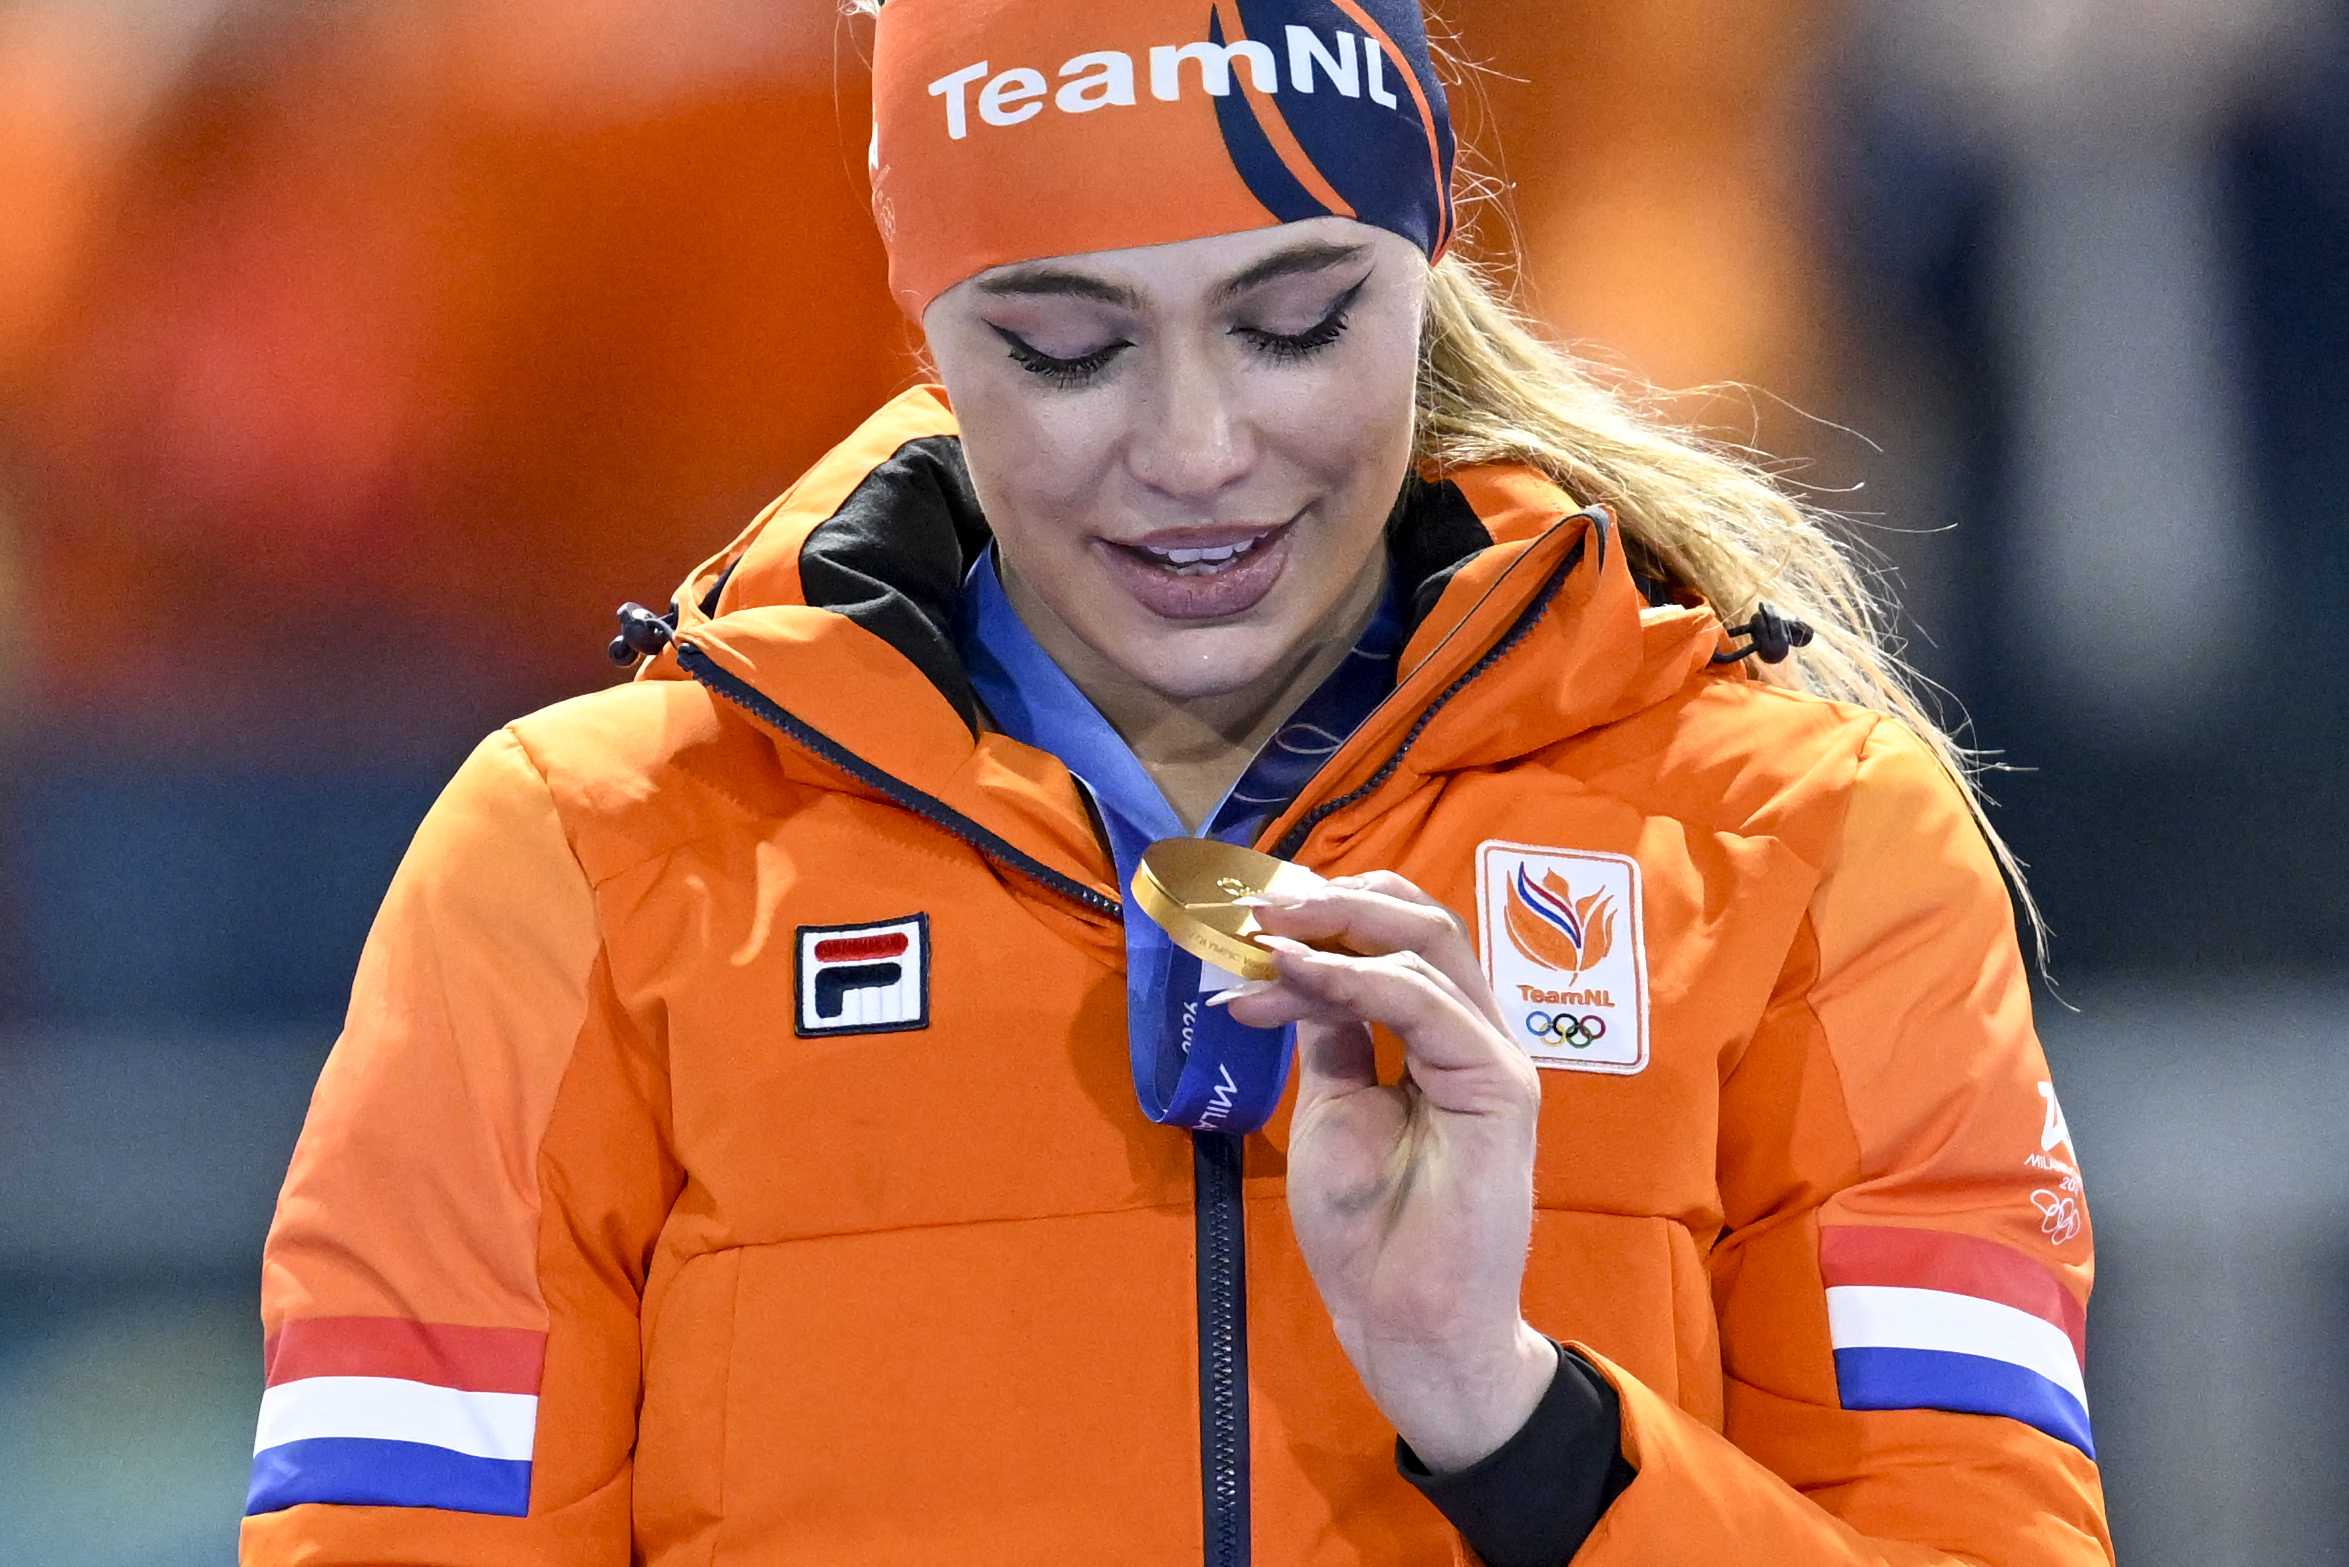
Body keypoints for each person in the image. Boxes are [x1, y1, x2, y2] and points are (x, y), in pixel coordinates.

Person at [238, 2, 2114, 1563]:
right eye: (1064, 350)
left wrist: (1509, 1414)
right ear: (927, 333)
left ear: (1430, 269)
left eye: (1297, 323)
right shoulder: (585, 861)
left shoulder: (1797, 840)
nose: (1197, 449)